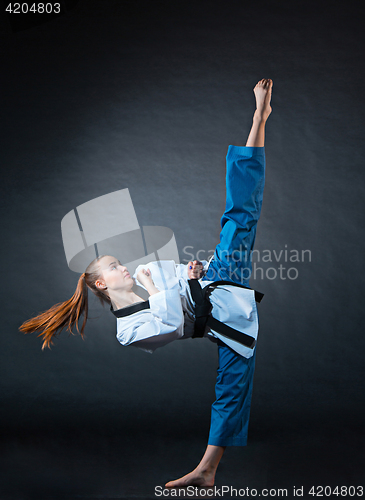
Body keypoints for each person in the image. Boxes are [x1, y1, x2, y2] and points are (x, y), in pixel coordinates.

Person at [19, 78, 273, 488]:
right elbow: (171, 325)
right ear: (102, 285)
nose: (124, 267)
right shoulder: (128, 330)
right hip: (223, 321)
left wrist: (189, 276)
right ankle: (207, 470)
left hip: (220, 274)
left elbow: (181, 284)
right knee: (231, 389)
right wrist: (169, 287)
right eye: (115, 266)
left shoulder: (144, 277)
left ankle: (258, 120)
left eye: (119, 262)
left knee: (240, 215)